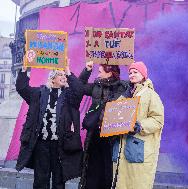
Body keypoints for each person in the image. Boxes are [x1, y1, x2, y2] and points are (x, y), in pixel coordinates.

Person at [15, 60, 83, 189]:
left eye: (64, 75)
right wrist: (24, 69)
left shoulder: (69, 97)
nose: (64, 77)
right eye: (60, 74)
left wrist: (68, 70)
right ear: (52, 79)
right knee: (41, 179)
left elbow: (79, 91)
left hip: (60, 144)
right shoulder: (39, 93)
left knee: (59, 180)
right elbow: (22, 88)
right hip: (42, 144)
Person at [112, 61, 164, 189]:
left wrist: (139, 126)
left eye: (135, 72)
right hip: (121, 149)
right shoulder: (126, 94)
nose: (132, 75)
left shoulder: (151, 95)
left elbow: (157, 120)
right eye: (130, 72)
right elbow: (115, 116)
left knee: (137, 184)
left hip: (138, 148)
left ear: (143, 75)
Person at [77, 61, 129, 189]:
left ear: (109, 72)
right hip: (94, 134)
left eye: (100, 72)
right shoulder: (96, 85)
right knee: (92, 169)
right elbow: (80, 86)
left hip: (111, 137)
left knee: (107, 172)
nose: (98, 74)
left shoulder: (123, 87)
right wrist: (87, 70)